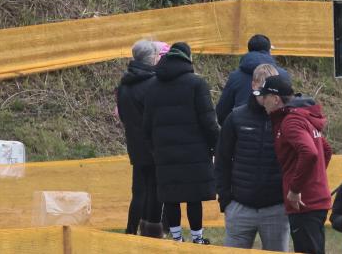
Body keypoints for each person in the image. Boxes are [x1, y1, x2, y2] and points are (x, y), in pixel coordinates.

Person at [143, 41, 218, 244]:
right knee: (194, 197)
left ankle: (176, 239)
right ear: (188, 58)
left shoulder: (152, 87)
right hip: (195, 153)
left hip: (165, 153)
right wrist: (216, 146)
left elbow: (146, 125)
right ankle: (197, 238)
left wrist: (154, 150)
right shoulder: (197, 84)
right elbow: (208, 121)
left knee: (171, 196)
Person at [255, 74, 334, 254]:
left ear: (275, 99)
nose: (262, 101)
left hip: (304, 203)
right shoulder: (301, 117)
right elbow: (326, 150)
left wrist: (296, 188)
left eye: (265, 96)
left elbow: (310, 153)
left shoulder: (290, 122)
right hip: (313, 201)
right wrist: (314, 179)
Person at [215, 62, 288, 251]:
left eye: (270, 86)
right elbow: (222, 160)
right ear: (253, 84)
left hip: (276, 208)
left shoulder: (287, 119)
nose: (266, 92)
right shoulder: (236, 117)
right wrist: (226, 201)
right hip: (240, 207)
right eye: (262, 85)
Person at [117, 39, 163, 237]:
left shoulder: (124, 84)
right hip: (154, 144)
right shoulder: (154, 83)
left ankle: (130, 230)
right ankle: (151, 231)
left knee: (138, 191)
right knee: (155, 190)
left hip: (135, 143)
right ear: (152, 58)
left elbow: (123, 116)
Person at [217, 33, 289, 125]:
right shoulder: (283, 75)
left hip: (243, 126)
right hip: (272, 127)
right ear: (269, 51)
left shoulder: (235, 76)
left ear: (249, 50)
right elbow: (288, 106)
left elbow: (222, 111)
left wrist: (230, 128)